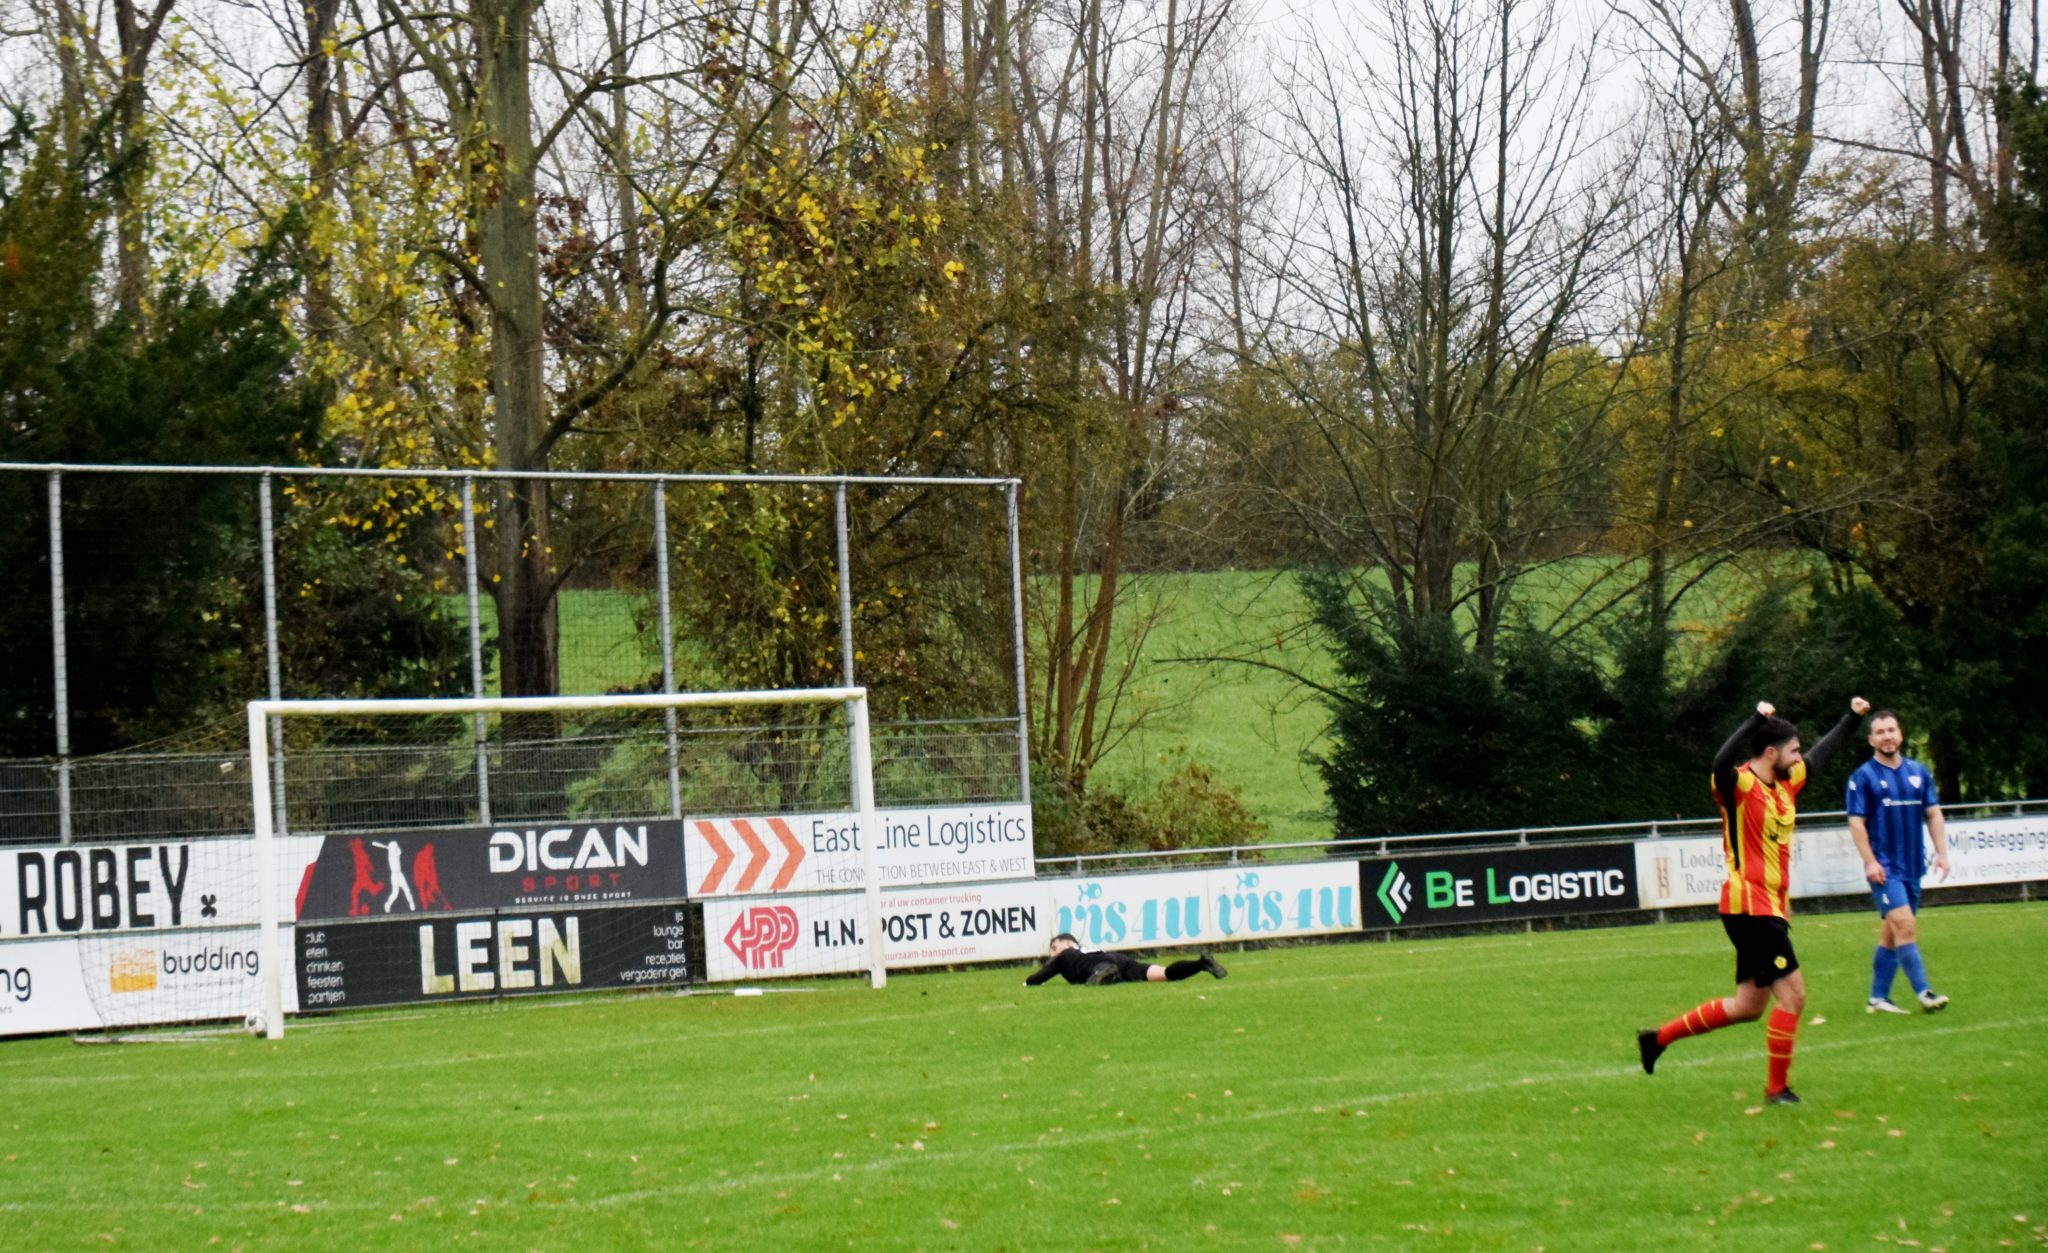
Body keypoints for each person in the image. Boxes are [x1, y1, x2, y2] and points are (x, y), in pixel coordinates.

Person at [1637, 696, 1869, 1106]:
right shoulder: (1740, 785)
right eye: (1793, 750)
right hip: (1750, 907)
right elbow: (1719, 763)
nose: (1798, 758)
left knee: (1748, 1006)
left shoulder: (1787, 782)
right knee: (1794, 996)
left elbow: (1820, 755)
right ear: (1770, 753)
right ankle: (1777, 1090)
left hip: (1768, 909)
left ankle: (1657, 1039)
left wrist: (1851, 718)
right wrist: (1752, 721)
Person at [1847, 710, 1951, 1014]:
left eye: (1891, 730)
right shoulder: (1863, 777)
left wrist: (1942, 853)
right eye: (1880, 732)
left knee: (1893, 932)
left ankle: (1878, 998)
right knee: (1904, 924)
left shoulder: (1919, 772)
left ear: (1901, 734)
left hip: (1913, 865)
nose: (1887, 736)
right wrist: (1870, 862)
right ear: (1871, 740)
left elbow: (1933, 813)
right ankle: (1925, 993)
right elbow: (1856, 822)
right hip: (1884, 869)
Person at [1023, 933, 1228, 985]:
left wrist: (1027, 982)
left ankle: (1104, 973)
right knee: (1163, 974)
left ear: (1068, 943)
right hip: (1120, 959)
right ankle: (1200, 964)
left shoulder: (1065, 956)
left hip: (1100, 963)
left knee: (1100, 969)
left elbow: (1037, 978)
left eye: (1054, 947)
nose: (1053, 953)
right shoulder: (1086, 950)